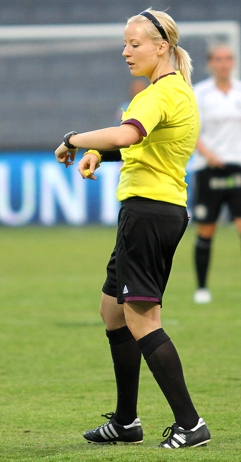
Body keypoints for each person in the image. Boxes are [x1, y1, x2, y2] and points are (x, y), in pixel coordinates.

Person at [54, 9, 211, 449]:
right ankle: (126, 422)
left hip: (150, 214)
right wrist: (100, 156)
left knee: (142, 319)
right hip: (150, 211)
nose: (126, 51)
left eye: (134, 43)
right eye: (125, 43)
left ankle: (190, 424)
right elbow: (144, 146)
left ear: (162, 46)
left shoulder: (158, 94)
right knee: (113, 311)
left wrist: (73, 140)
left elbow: (126, 135)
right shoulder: (172, 90)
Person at [190, 43, 241, 304]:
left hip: (238, 167)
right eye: (219, 59)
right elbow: (190, 129)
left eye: (228, 58)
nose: (224, 63)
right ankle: (201, 288)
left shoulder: (240, 91)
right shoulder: (199, 94)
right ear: (211, 63)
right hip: (208, 168)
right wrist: (206, 152)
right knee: (206, 230)